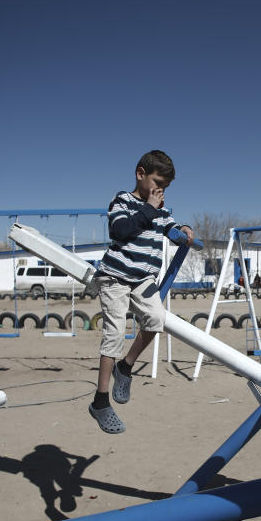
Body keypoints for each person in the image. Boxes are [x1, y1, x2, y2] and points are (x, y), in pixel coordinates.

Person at [89, 150, 194, 434]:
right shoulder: (123, 200)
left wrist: (184, 228)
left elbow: (171, 228)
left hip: (143, 279)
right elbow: (120, 230)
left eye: (166, 186)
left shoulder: (159, 208)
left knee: (156, 319)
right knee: (113, 334)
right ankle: (100, 400)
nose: (160, 190)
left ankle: (126, 366)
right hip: (115, 277)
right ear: (140, 174)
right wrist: (148, 207)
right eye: (157, 182)